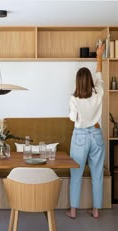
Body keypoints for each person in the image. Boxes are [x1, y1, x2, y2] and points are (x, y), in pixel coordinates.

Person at [66, 44, 105, 219]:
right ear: (90, 81)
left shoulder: (74, 98)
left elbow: (73, 119)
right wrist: (99, 55)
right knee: (97, 173)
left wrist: (72, 112)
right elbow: (99, 73)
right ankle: (96, 210)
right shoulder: (99, 91)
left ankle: (73, 210)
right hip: (96, 135)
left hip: (80, 137)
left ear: (77, 82)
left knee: (76, 173)